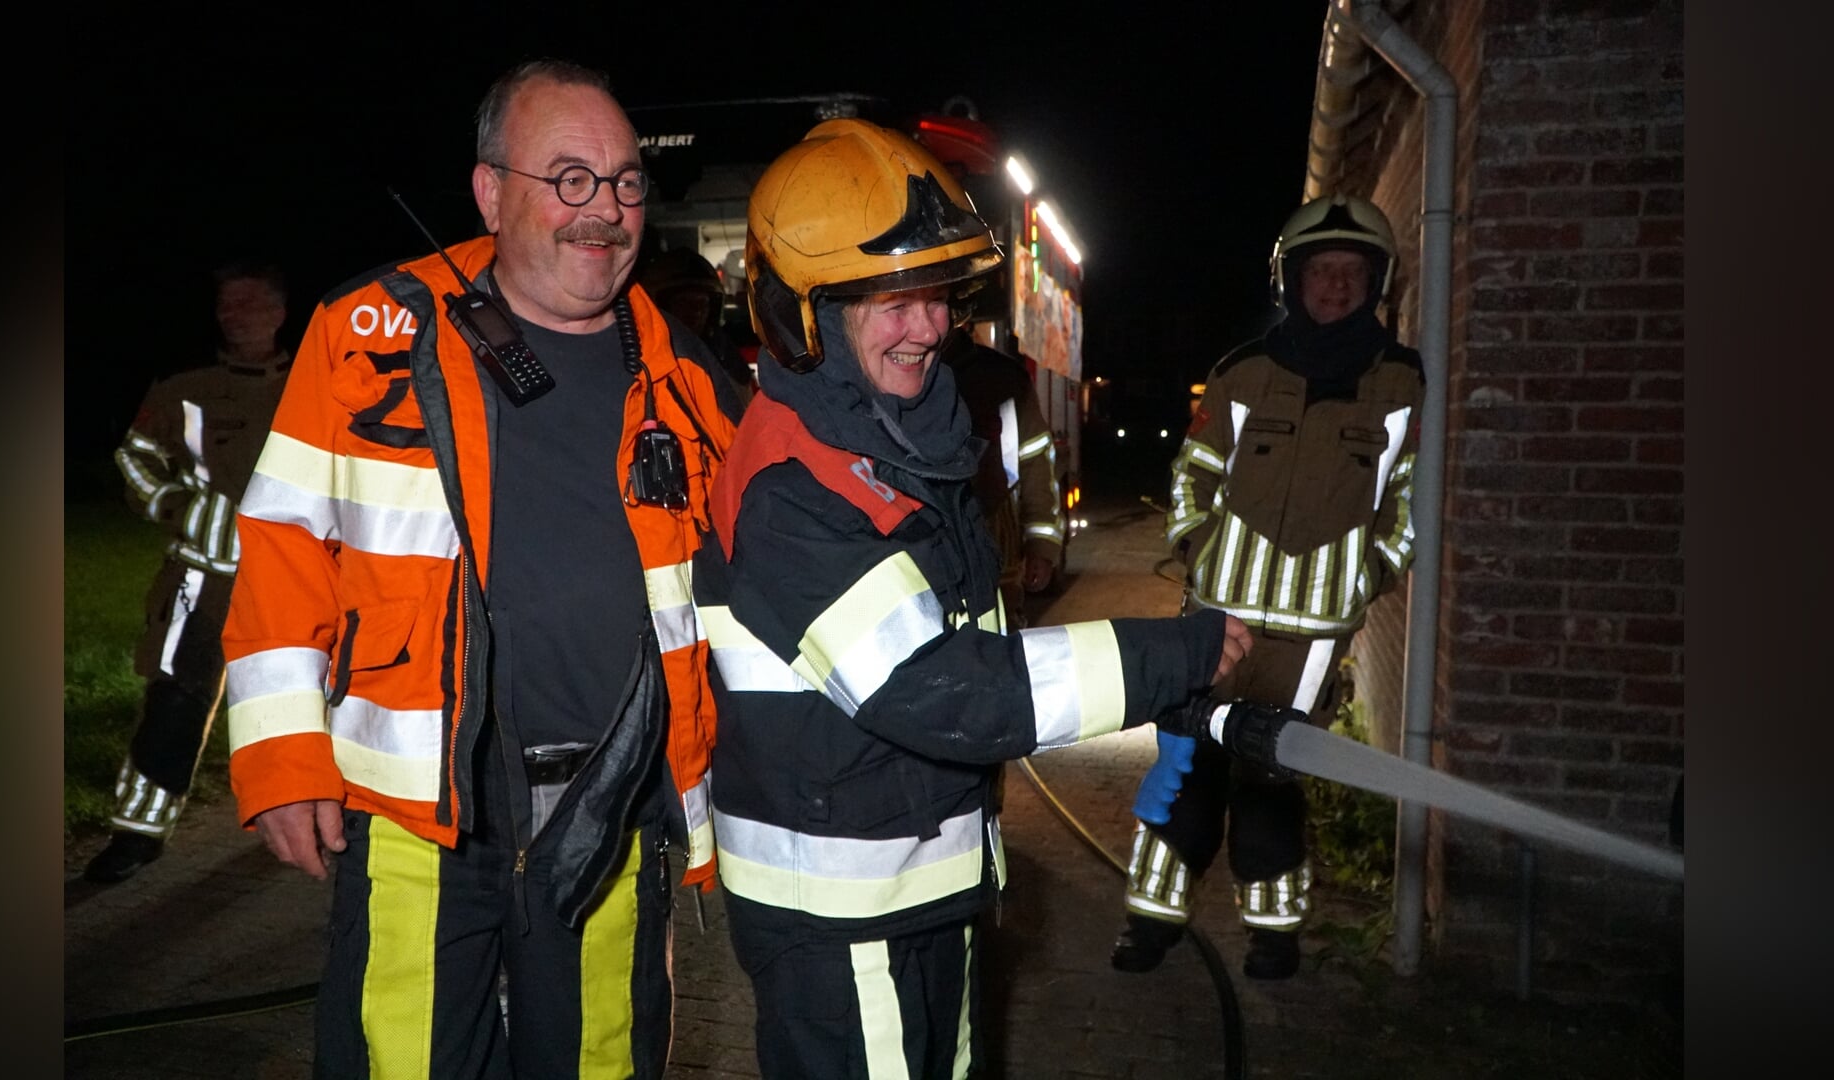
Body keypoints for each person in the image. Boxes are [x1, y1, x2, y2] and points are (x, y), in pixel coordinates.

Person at [690, 117, 1251, 1079]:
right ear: (802, 315)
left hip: (920, 883)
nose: (930, 328)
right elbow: (947, 689)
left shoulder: (894, 443)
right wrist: (1172, 658)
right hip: (842, 917)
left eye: (939, 296)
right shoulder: (795, 490)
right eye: (892, 302)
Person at [220, 60, 741, 1078]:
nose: (605, 210)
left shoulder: (687, 376)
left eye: (626, 181)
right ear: (491, 193)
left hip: (615, 815)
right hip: (419, 822)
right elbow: (283, 541)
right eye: (570, 178)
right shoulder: (369, 335)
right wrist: (282, 757)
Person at [1111, 192, 1425, 981]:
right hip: (1217, 621)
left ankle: (1274, 934)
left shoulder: (1402, 386)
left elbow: (1413, 502)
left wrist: (1370, 575)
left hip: (1312, 641)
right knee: (1187, 763)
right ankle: (1150, 922)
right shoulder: (1243, 373)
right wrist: (1199, 548)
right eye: (1321, 271)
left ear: (1377, 282)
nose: (1336, 286)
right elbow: (1192, 474)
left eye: (1352, 272)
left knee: (1273, 780)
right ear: (1292, 279)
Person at [83, 259, 292, 884]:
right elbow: (136, 457)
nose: (236, 314)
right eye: (228, 303)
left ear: (280, 311)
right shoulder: (185, 388)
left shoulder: (320, 382)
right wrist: (175, 504)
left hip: (296, 582)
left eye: (251, 301)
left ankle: (307, 819)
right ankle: (139, 832)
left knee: (301, 703)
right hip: (202, 580)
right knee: (175, 703)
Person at [940, 323, 1064, 630]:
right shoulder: (896, 371)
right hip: (931, 550)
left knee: (999, 637)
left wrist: (1041, 547)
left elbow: (1036, 465)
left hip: (996, 538)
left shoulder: (1003, 378)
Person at [638, 245, 757, 403]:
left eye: (702, 303)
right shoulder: (638, 357)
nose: (695, 312)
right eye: (683, 302)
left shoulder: (729, 361)